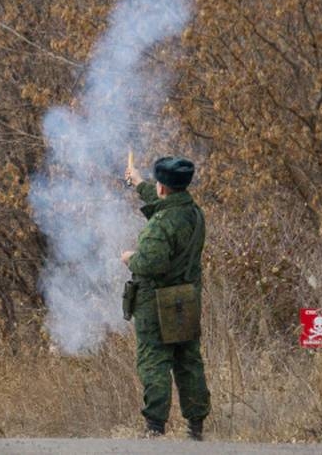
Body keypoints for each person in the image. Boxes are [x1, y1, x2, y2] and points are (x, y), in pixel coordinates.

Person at [121, 156, 210, 440]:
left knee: (154, 361)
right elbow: (164, 200)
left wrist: (130, 258)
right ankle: (195, 427)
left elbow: (150, 263)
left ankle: (154, 428)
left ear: (163, 187)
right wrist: (137, 182)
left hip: (157, 302)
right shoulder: (193, 213)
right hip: (186, 298)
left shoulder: (161, 224)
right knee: (188, 361)